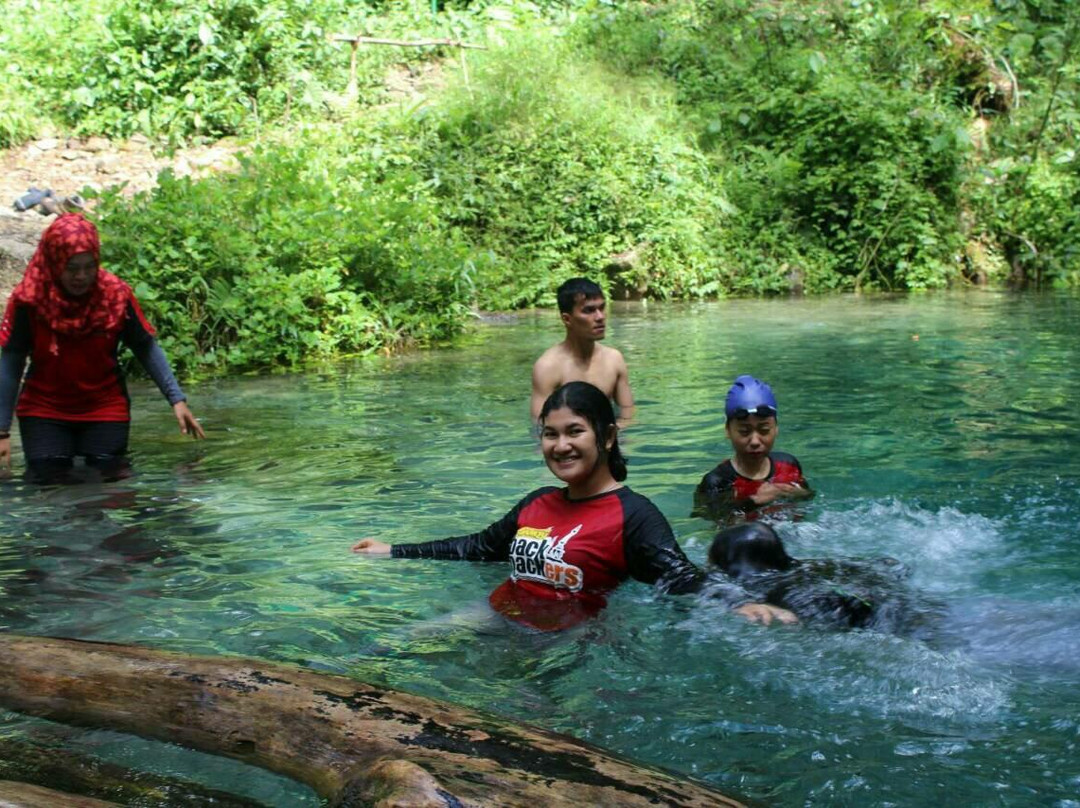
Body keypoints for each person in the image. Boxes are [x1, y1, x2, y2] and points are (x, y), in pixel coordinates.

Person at [353, 381, 795, 631]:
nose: (560, 445)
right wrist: (392, 550)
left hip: (564, 642)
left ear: (605, 437)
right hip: (494, 615)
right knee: (390, 645)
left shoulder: (634, 515)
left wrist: (736, 604)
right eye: (550, 433)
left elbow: (678, 577)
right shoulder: (536, 504)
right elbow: (477, 547)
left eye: (574, 432)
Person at [0, 213, 204, 481]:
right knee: (48, 487)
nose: (81, 276)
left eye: (89, 266)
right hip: (44, 410)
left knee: (107, 487)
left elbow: (144, 346)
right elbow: (12, 358)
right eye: (72, 268)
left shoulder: (115, 295)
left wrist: (176, 399)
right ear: (54, 263)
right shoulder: (30, 300)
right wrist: (2, 430)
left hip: (105, 408)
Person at [707, 522, 940, 635]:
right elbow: (892, 564)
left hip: (887, 629)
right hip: (918, 608)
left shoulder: (770, 593)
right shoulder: (824, 564)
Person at [693, 374, 812, 522]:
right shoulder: (717, 481)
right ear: (728, 431)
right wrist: (754, 501)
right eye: (744, 431)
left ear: (776, 429)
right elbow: (710, 520)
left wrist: (796, 494)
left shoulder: (789, 464)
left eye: (764, 430)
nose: (755, 441)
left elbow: (808, 497)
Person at [530, 278, 634, 427]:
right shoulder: (548, 367)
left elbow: (627, 413)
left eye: (602, 308)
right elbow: (539, 427)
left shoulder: (614, 359)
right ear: (567, 319)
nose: (600, 317)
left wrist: (610, 439)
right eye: (589, 310)